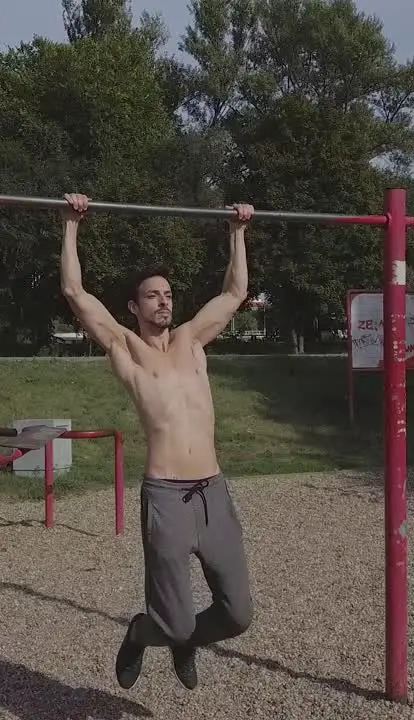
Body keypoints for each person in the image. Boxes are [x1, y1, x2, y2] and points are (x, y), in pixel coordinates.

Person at [58, 192, 256, 691]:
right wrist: (70, 225)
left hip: (213, 493)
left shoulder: (192, 341)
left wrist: (237, 232)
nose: (163, 300)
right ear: (134, 306)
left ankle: (182, 638)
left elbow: (234, 292)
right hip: (167, 497)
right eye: (152, 295)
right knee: (174, 623)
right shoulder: (126, 349)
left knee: (238, 615)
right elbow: (76, 293)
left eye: (168, 294)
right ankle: (146, 634)